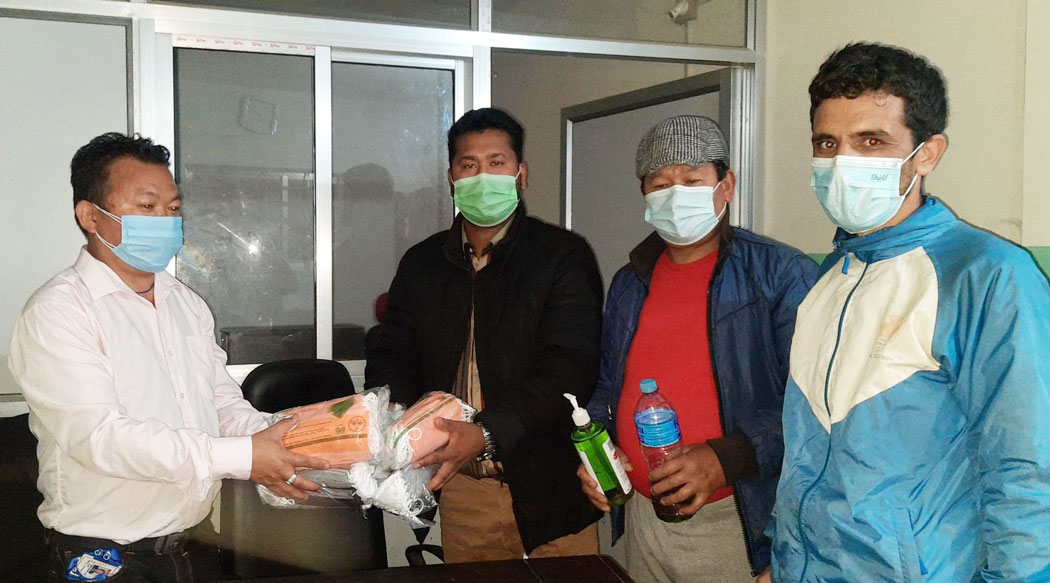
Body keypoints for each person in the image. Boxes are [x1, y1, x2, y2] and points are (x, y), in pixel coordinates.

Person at [767, 42, 1050, 582]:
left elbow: (1030, 472)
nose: (843, 162)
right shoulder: (829, 280)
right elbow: (809, 460)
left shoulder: (987, 275)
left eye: (871, 141)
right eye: (827, 143)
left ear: (927, 154)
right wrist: (784, 562)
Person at [8, 133, 328, 583]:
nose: (166, 220)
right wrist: (243, 456)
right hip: (105, 558)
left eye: (173, 208)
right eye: (147, 206)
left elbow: (219, 404)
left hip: (194, 544)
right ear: (90, 216)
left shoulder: (184, 302)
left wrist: (284, 439)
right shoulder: (60, 310)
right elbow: (101, 438)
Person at [579, 115, 818, 583]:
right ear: (644, 195)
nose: (675, 195)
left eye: (691, 181)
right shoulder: (629, 282)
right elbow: (608, 386)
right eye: (660, 184)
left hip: (739, 521)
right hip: (642, 520)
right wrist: (600, 451)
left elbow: (814, 407)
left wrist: (725, 458)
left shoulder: (780, 275)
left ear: (726, 186)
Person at [365, 108, 604, 562]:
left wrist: (487, 432)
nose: (482, 176)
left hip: (551, 486)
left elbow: (570, 367)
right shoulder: (422, 263)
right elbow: (392, 348)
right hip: (464, 488)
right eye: (469, 165)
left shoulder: (561, 255)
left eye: (497, 163)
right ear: (452, 178)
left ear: (520, 174)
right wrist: (392, 409)